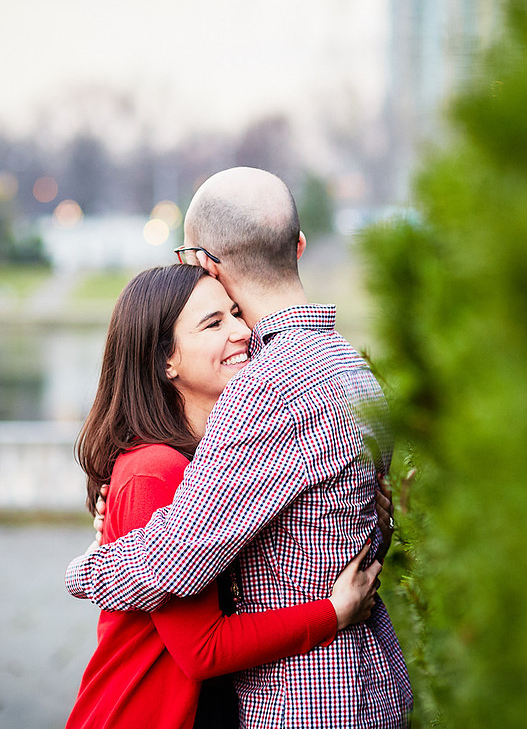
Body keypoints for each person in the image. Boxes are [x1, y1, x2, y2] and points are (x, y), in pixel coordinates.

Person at [67, 167, 412, 727]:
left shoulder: (264, 389)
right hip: (378, 684)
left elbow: (167, 566)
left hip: (306, 698)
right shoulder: (353, 366)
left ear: (203, 264)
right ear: (299, 245)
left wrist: (91, 564)